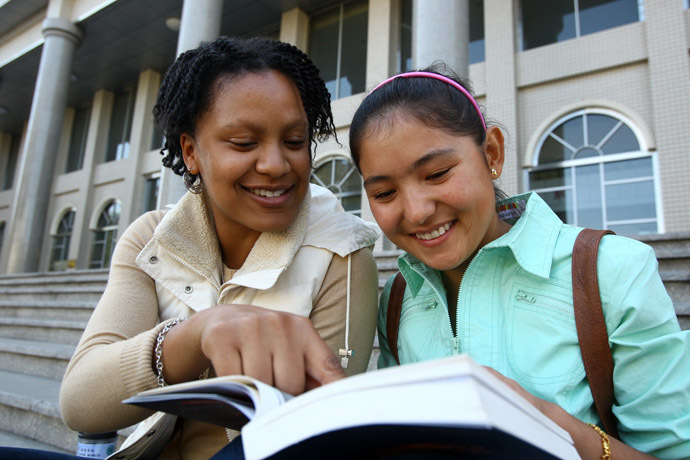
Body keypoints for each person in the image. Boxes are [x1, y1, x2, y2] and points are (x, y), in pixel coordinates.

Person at [54, 36, 381, 459]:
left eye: (295, 142)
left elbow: (317, 426)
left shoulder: (343, 252)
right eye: (244, 143)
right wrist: (193, 338)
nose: (276, 165)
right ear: (191, 151)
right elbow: (80, 402)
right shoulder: (150, 237)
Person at [348, 64, 690, 459]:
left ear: (491, 152)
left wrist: (546, 423)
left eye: (438, 173)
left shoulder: (609, 271)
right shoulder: (398, 296)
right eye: (386, 193)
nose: (418, 211)